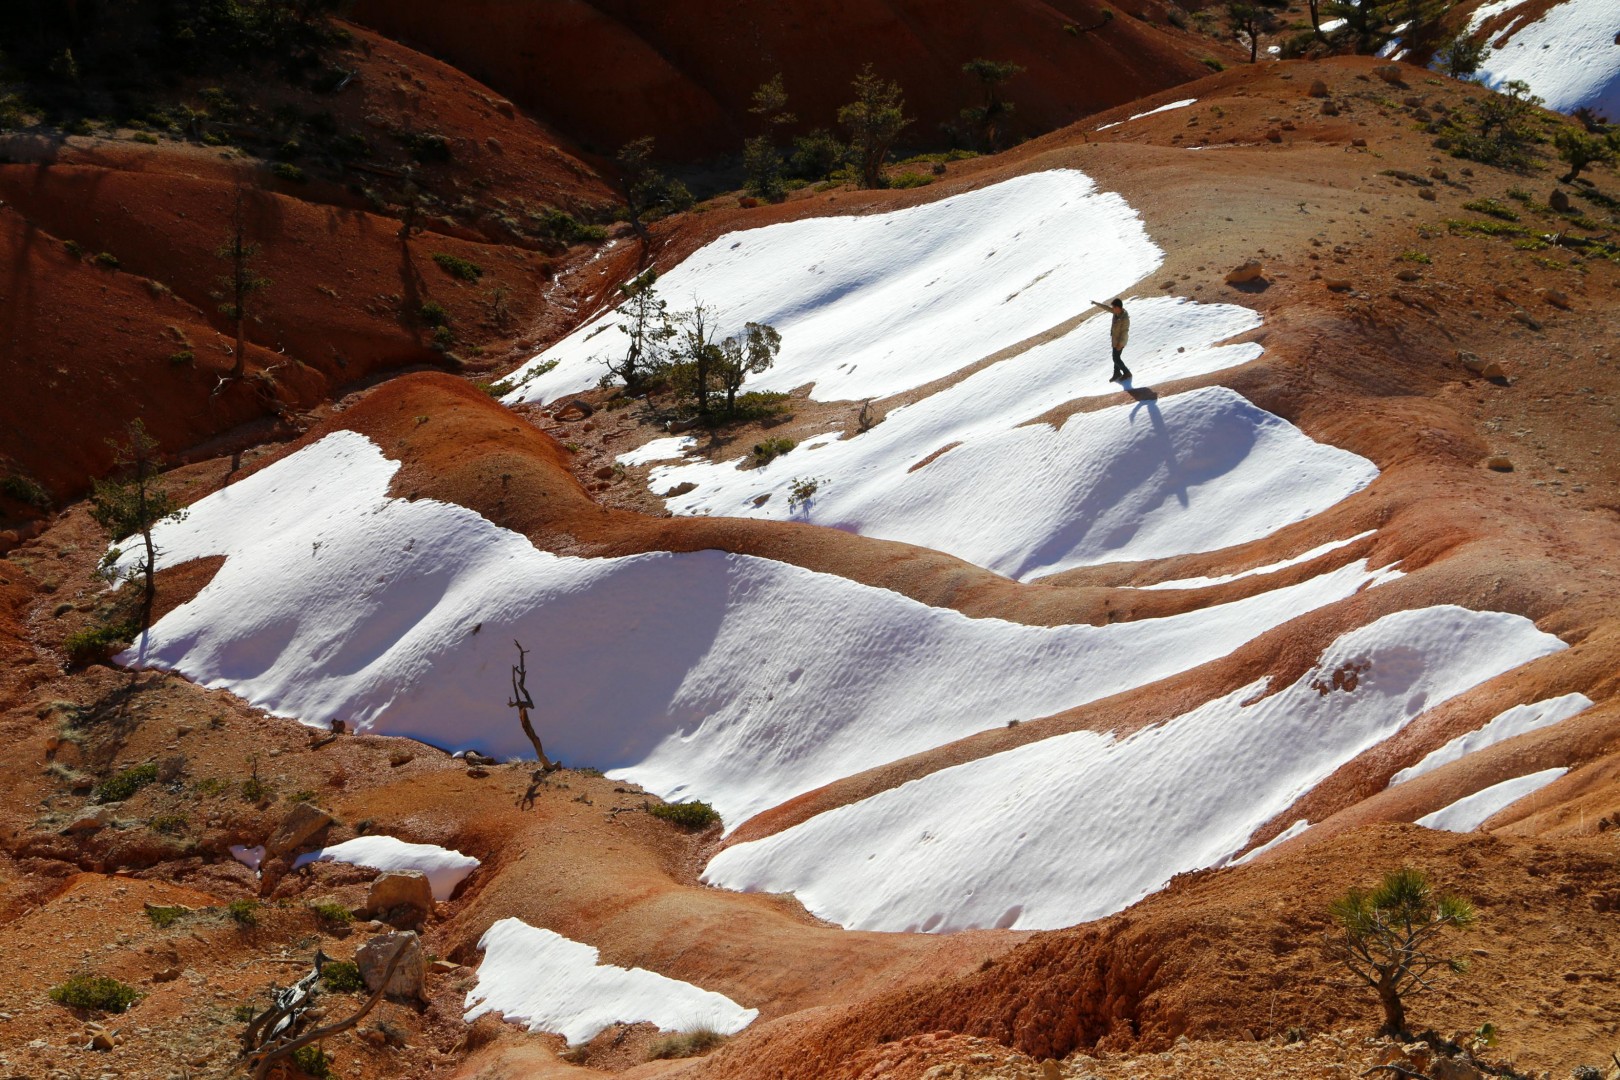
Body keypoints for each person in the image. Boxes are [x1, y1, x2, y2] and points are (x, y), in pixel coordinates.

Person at [1090, 298, 1132, 382]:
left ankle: (1126, 372)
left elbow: (1125, 332)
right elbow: (1106, 308)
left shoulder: (1125, 318)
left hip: (1121, 341)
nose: (1112, 309)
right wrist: (1096, 303)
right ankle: (1117, 373)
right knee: (1116, 357)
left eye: (1114, 307)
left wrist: (1120, 344)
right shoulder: (1116, 313)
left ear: (1118, 307)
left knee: (1116, 358)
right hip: (1115, 340)